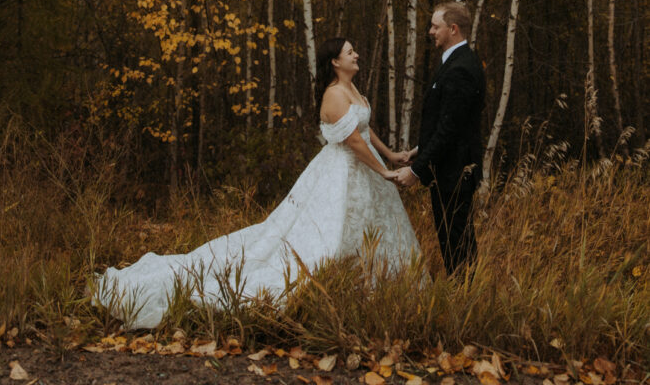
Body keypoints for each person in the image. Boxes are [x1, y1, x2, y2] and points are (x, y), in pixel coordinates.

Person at [95, 37, 420, 329]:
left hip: (366, 172)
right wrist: (383, 172)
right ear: (336, 61)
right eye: (351, 51)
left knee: (364, 232)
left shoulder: (355, 92)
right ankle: (326, 292)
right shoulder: (334, 94)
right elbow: (352, 141)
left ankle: (369, 292)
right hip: (342, 173)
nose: (357, 54)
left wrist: (392, 156)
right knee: (327, 237)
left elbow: (365, 130)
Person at [394, 2, 485, 276]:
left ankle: (465, 301)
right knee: (453, 241)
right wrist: (420, 150)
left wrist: (416, 170)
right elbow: (451, 121)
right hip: (450, 169)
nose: (431, 31)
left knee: (457, 244)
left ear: (453, 29)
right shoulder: (456, 61)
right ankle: (465, 297)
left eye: (436, 26)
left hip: (455, 173)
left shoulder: (461, 69)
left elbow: (450, 130)